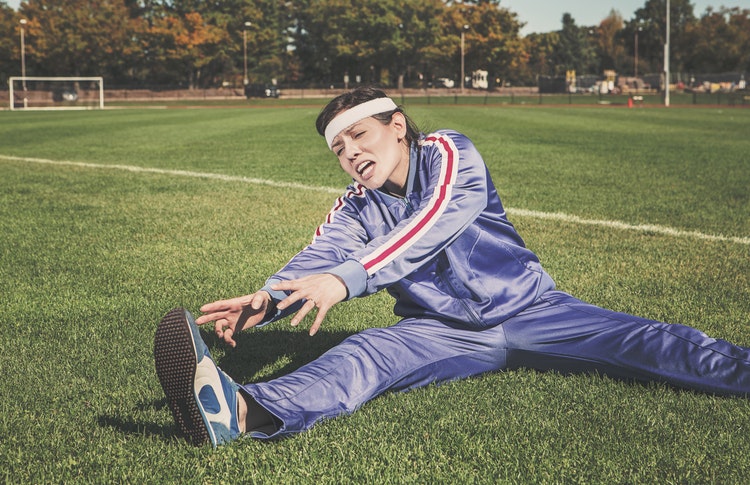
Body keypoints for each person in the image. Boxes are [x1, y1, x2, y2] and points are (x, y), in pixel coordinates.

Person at [154, 86, 750, 448]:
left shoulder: (448, 152)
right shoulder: (355, 207)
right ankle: (237, 411)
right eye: (339, 148)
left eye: (359, 135)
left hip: (534, 310)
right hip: (437, 331)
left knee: (652, 343)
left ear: (396, 125)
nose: (351, 153)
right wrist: (269, 299)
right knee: (361, 357)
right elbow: (319, 257)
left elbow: (436, 220)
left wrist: (347, 278)